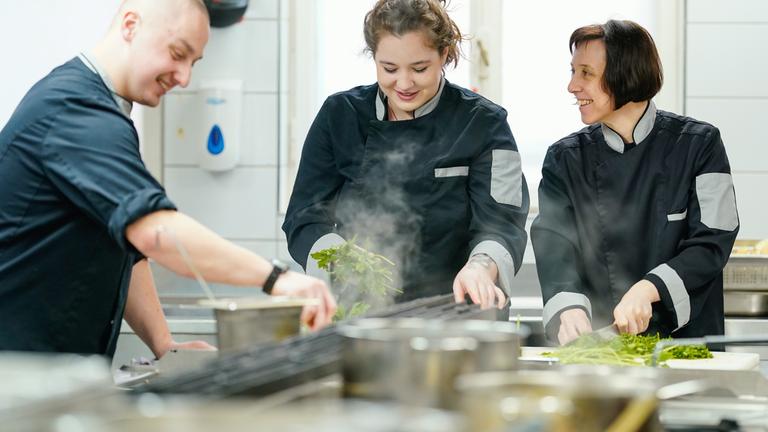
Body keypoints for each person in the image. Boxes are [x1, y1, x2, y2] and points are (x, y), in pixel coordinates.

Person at [0, 0, 335, 358]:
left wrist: (165, 344)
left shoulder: (103, 112)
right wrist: (277, 279)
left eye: (193, 62)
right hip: (17, 373)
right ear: (130, 25)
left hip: (47, 371)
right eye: (178, 53)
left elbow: (132, 247)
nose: (184, 77)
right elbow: (157, 234)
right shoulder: (76, 110)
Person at [282, 0, 529, 310]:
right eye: (389, 68)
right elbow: (305, 216)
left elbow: (502, 222)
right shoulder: (339, 115)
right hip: (361, 312)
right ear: (374, 58)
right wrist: (339, 260)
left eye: (419, 68)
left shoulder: (485, 123)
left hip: (456, 309)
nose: (403, 83)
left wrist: (480, 266)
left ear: (444, 54)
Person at [531, 19, 739, 345]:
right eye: (573, 71)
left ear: (625, 74)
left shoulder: (700, 144)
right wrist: (568, 306)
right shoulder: (564, 158)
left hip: (689, 345)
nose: (572, 86)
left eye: (586, 73)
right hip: (603, 350)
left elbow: (713, 241)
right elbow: (554, 245)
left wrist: (648, 288)